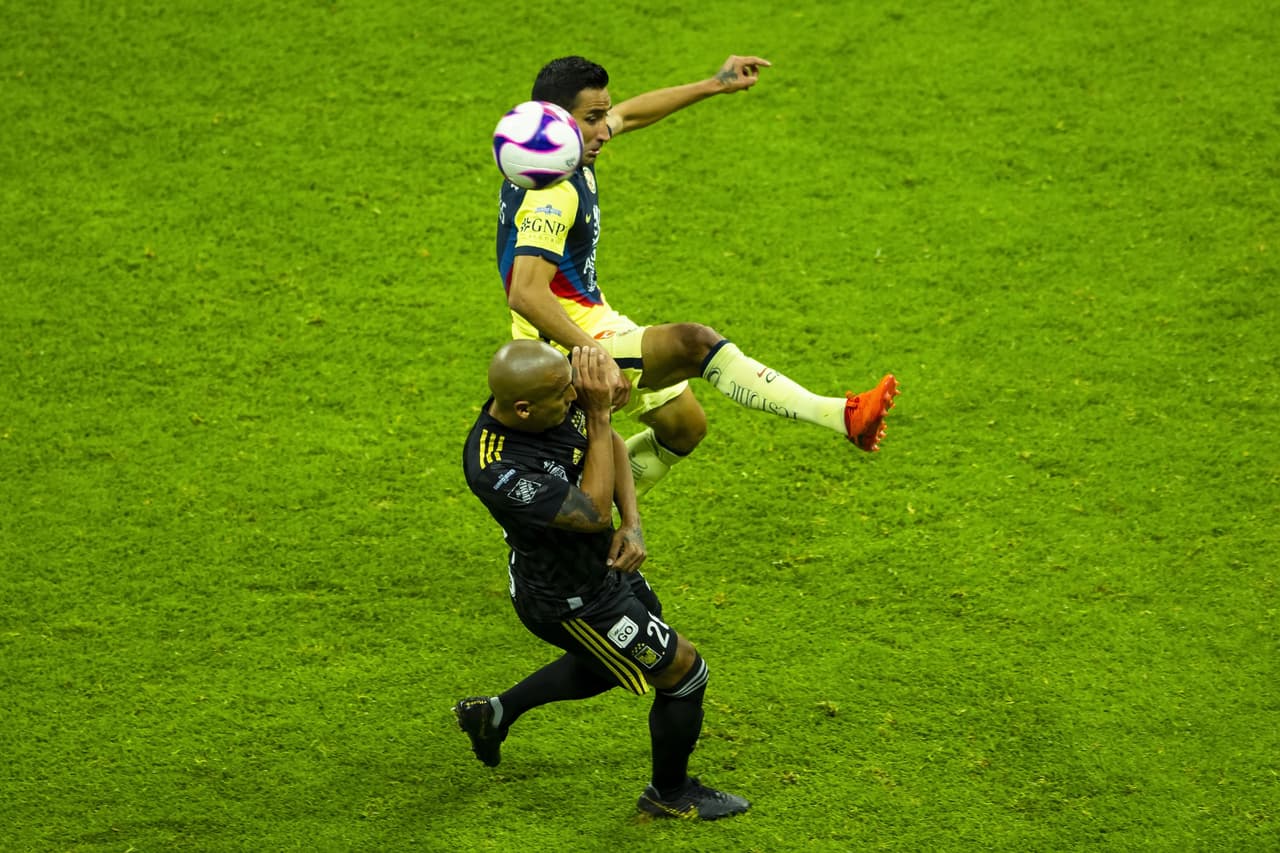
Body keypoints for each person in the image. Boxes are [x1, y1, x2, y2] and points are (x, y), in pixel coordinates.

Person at [496, 54, 899, 497]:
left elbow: (629, 114)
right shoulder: (551, 192)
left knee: (683, 428)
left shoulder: (552, 149)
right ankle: (844, 416)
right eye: (592, 118)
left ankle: (575, 517)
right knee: (694, 343)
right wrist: (598, 359)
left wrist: (715, 84)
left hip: (592, 316)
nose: (603, 129)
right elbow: (527, 294)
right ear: (556, 121)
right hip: (563, 339)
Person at [455, 339, 749, 820]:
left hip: (603, 570)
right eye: (565, 399)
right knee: (683, 671)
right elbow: (590, 512)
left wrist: (631, 522)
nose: (574, 400)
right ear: (524, 410)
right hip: (569, 600)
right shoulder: (497, 467)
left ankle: (495, 713)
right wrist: (597, 416)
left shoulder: (554, 391)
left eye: (575, 392)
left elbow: (606, 443)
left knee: (614, 663)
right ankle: (669, 794)